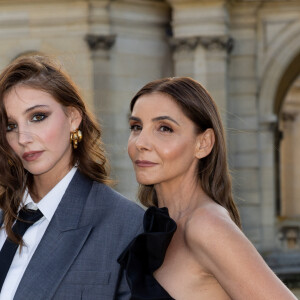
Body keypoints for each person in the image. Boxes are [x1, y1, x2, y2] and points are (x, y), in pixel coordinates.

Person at [118, 77, 297, 300]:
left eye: (164, 128)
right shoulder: (163, 224)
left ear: (203, 143)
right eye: (136, 127)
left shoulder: (206, 226)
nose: (140, 143)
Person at [0, 55, 143, 300]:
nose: (23, 138)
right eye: (11, 125)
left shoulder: (127, 225)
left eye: (38, 117)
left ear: (73, 118)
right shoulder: (4, 212)